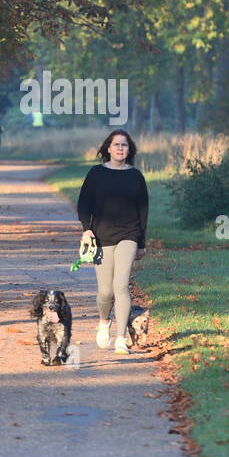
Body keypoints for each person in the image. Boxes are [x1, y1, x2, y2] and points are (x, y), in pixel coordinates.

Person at [76, 129, 148, 354]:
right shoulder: (96, 174)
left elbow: (143, 210)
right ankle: (104, 322)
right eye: (116, 144)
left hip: (129, 235)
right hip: (101, 236)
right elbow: (83, 204)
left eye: (124, 145)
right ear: (108, 148)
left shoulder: (135, 176)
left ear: (129, 150)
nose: (120, 148)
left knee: (121, 286)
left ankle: (121, 338)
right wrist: (87, 230)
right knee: (106, 291)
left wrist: (142, 242)